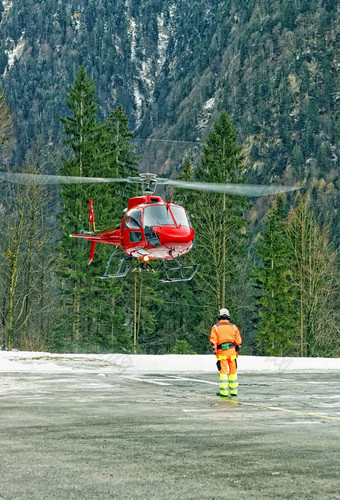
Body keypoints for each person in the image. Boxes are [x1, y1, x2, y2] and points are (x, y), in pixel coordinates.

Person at [209, 308, 242, 397]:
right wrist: (236, 351)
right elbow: (238, 341)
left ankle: (224, 392)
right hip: (232, 353)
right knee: (233, 372)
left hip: (221, 353)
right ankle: (234, 391)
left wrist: (215, 352)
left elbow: (213, 342)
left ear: (219, 317)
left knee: (223, 373)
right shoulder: (234, 327)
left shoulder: (215, 328)